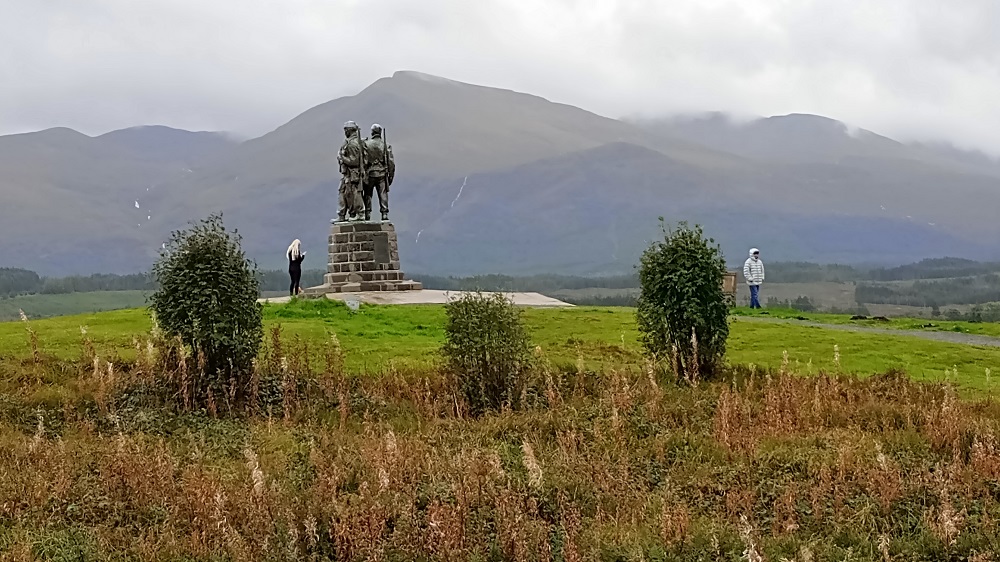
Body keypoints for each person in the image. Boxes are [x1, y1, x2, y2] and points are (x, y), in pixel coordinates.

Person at [363, 123, 395, 221]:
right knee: (383, 193)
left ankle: (367, 212)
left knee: (368, 194)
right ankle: (384, 213)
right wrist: (391, 176)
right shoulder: (386, 145)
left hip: (370, 173)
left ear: (372, 132)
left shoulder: (366, 144)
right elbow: (391, 162)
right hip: (382, 173)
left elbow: (364, 161)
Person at [336, 121, 365, 222]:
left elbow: (354, 161)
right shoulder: (349, 142)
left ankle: (360, 213)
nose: (344, 132)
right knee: (344, 192)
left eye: (345, 130)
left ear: (349, 130)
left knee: (355, 194)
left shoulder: (353, 144)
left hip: (353, 173)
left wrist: (342, 158)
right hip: (348, 174)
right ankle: (342, 214)